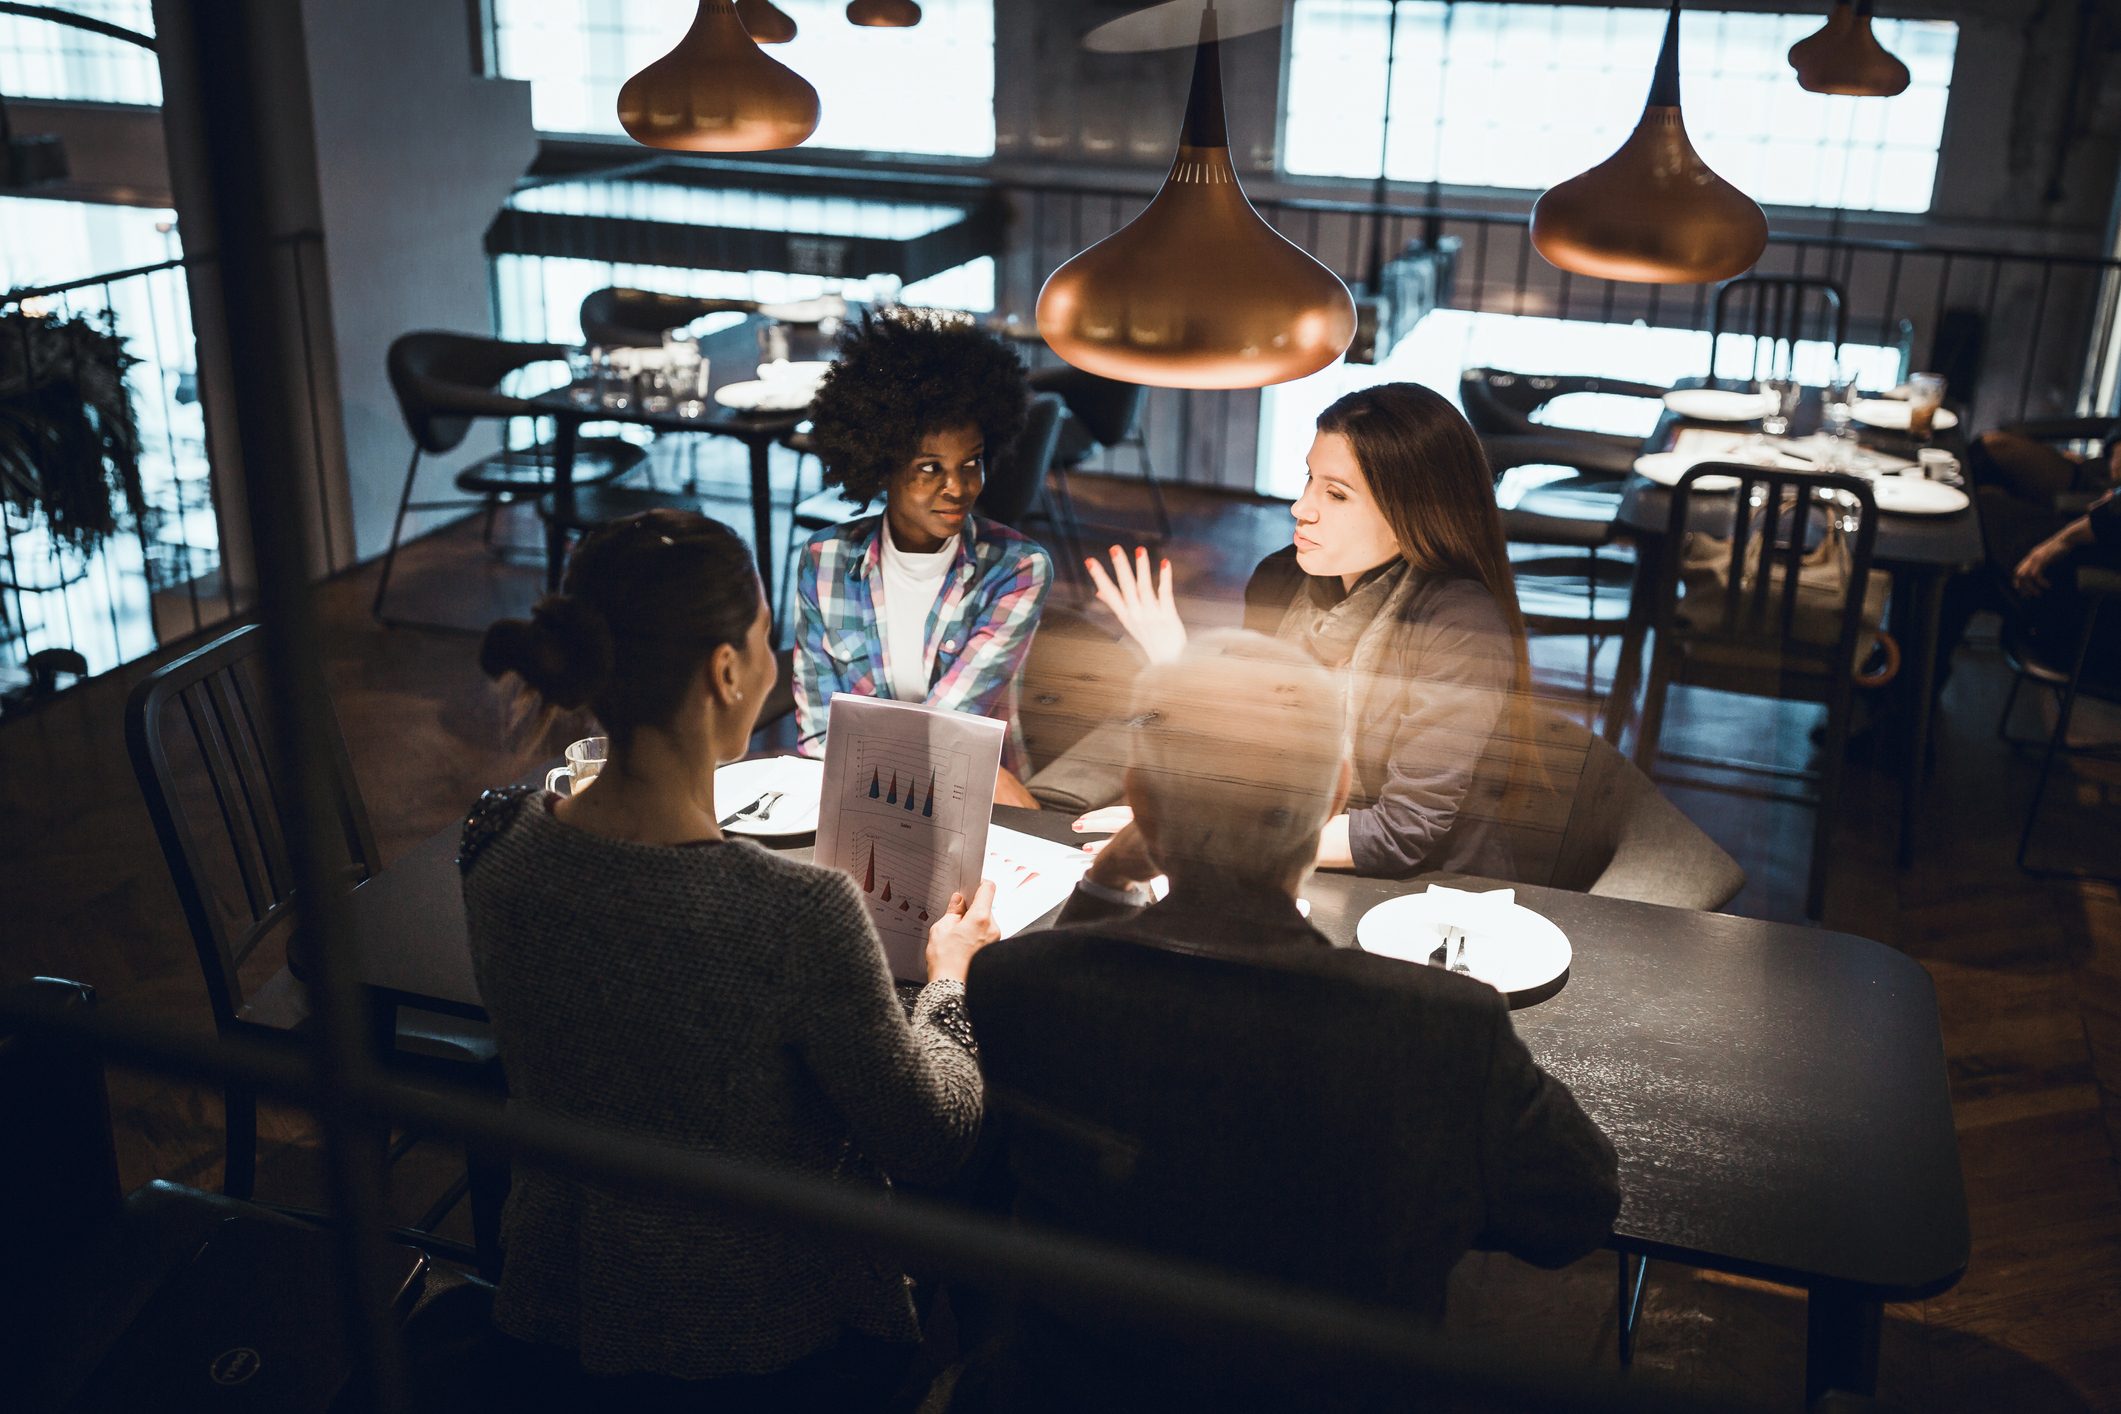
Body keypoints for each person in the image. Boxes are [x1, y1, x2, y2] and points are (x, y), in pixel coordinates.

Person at [960, 632, 1620, 1413]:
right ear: (1338, 792)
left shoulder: (1017, 986)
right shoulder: (1442, 1030)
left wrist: (1103, 885)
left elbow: (973, 1188)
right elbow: (1574, 1210)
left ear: (1134, 797)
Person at [462, 509, 996, 1406]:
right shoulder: (794, 916)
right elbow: (928, 1138)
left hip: (561, 1309)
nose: (773, 661)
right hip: (766, 1337)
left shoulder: (494, 842)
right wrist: (950, 980)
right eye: (763, 639)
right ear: (724, 671)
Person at [1078, 381, 1536, 879]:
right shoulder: (1281, 578)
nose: (1301, 508)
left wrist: (1198, 836)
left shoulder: (1457, 626)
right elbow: (1255, 757)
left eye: (1336, 494)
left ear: (1413, 512)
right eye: (1309, 479)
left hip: (1420, 897)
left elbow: (1402, 831)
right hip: (1288, 868)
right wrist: (1177, 669)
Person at [793, 313, 1053, 809]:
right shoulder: (823, 561)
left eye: (970, 463)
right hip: (852, 799)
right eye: (929, 468)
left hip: (971, 799)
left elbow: (948, 728)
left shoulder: (1017, 570)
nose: (957, 488)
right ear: (881, 464)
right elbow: (818, 734)